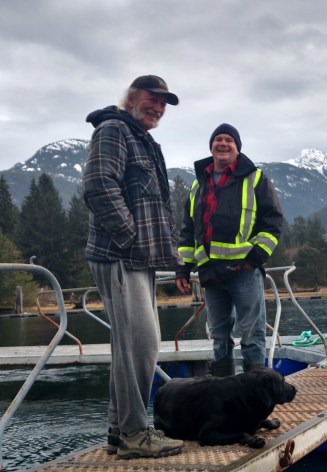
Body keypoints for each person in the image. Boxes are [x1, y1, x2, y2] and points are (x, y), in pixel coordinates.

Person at [82, 75, 184, 460]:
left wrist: (166, 253)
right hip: (120, 255)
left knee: (130, 346)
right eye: (152, 98)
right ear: (131, 98)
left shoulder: (141, 138)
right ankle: (135, 433)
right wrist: (129, 238)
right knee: (142, 344)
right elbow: (98, 185)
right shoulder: (113, 130)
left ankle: (119, 430)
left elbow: (153, 205)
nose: (158, 107)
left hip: (139, 258)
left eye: (163, 103)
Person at [175, 123, 284, 376]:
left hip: (244, 270)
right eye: (218, 139)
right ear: (211, 146)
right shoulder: (198, 184)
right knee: (219, 336)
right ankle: (223, 390)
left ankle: (255, 390)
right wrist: (183, 268)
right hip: (211, 273)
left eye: (229, 140)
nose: (223, 144)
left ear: (237, 148)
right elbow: (188, 230)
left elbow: (273, 221)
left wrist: (255, 257)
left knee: (252, 333)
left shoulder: (255, 178)